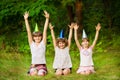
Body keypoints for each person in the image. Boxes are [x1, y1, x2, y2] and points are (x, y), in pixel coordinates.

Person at [23, 10, 49, 76]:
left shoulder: (43, 43)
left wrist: (47, 18)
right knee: (34, 73)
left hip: (42, 65)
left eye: (39, 36)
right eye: (35, 37)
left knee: (40, 74)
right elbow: (28, 31)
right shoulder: (32, 44)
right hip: (34, 65)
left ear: (41, 37)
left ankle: (42, 71)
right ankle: (32, 71)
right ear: (33, 37)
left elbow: (45, 30)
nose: (37, 38)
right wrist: (26, 19)